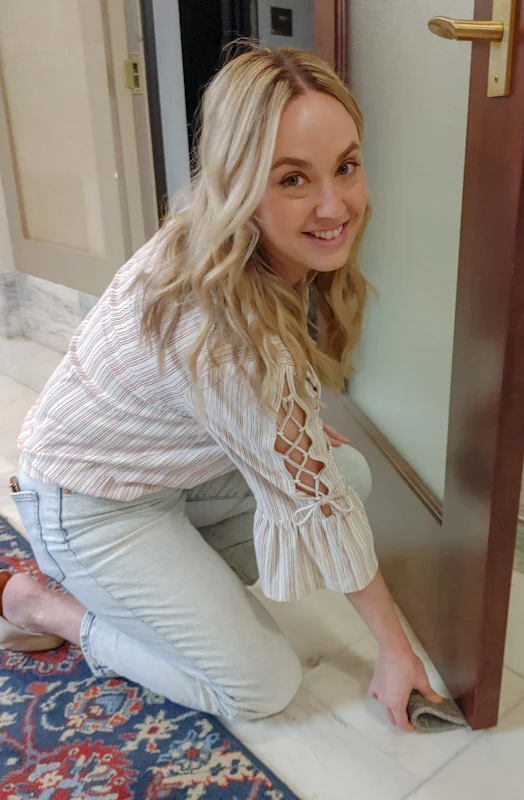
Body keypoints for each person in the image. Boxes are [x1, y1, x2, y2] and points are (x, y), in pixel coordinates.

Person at [2, 45, 443, 732]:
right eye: (293, 179)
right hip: (86, 506)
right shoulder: (219, 332)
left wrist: (283, 430)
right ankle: (45, 606)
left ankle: (164, 589)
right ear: (238, 184)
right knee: (261, 685)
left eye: (346, 166)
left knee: (347, 470)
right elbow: (314, 501)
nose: (335, 206)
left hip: (166, 478)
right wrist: (395, 649)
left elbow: (301, 464)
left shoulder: (235, 241)